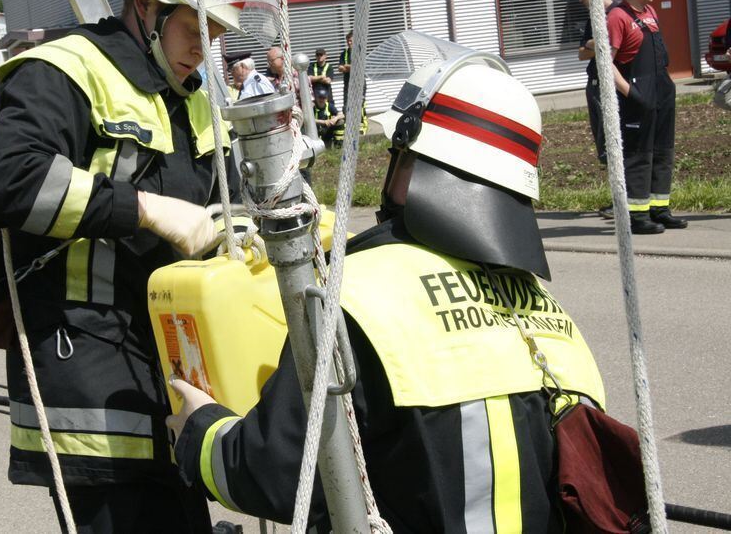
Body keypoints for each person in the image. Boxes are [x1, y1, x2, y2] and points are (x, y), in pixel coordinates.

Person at [166, 49, 606, 532]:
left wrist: (201, 431)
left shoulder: (358, 295)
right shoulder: (554, 318)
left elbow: (277, 474)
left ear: (412, 164)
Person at [0, 0, 277, 533]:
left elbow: (226, 199)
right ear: (146, 7)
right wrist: (146, 209)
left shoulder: (191, 96)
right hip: (88, 372)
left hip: (169, 362)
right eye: (195, 29)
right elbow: (14, 182)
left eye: (215, 35)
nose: (204, 49)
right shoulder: (64, 70)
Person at [606, 0, 687, 234]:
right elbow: (605, 63)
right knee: (639, 155)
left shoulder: (650, 11)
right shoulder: (617, 16)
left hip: (661, 89)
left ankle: (659, 209)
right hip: (638, 93)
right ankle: (637, 217)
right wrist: (633, 95)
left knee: (663, 151)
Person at [576, 0, 616, 219]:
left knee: (613, 141)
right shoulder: (593, 18)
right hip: (593, 84)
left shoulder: (615, 14)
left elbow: (612, 45)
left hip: (608, 85)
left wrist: (597, 43)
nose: (580, 0)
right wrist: (596, 41)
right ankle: (617, 199)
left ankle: (622, 201)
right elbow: (582, 53)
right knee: (603, 143)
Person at [337, 30, 368, 135]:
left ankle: (362, 126)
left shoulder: (360, 52)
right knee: (347, 105)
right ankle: (350, 126)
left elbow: (360, 67)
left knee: (360, 104)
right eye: (348, 41)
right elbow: (340, 68)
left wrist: (347, 67)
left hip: (359, 83)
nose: (349, 43)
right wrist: (350, 67)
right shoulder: (344, 54)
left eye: (350, 41)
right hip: (348, 84)